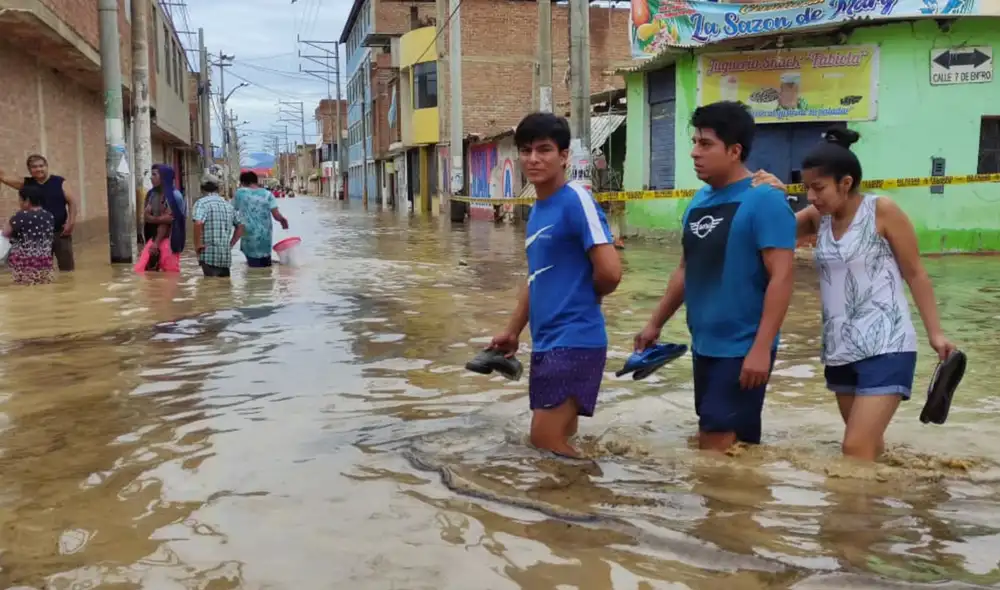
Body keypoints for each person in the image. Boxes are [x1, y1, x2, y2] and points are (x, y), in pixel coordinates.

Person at [751, 128, 956, 461]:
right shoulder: (819, 219)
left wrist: (936, 333)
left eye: (818, 188)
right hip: (840, 349)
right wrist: (775, 195)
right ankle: (880, 507)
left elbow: (915, 273)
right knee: (868, 448)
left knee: (853, 449)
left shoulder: (881, 210)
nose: (812, 197)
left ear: (845, 183)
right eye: (806, 189)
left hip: (887, 345)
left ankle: (848, 511)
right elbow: (779, 230)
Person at [634, 101, 797, 453]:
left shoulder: (765, 200)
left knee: (714, 444)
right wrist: (654, 323)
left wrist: (760, 349)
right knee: (735, 447)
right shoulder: (697, 202)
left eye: (705, 144)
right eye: (694, 142)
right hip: (704, 344)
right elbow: (685, 269)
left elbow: (782, 278)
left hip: (742, 348)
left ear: (735, 150)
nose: (694, 153)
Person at [488, 112, 622, 457]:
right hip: (549, 343)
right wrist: (513, 331)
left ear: (564, 156)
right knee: (561, 442)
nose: (533, 159)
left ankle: (591, 500)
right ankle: (573, 501)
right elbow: (537, 279)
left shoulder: (575, 200)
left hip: (574, 341)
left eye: (544, 150)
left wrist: (580, 298)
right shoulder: (538, 209)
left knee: (544, 442)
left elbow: (610, 272)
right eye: (526, 150)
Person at [0, 154, 78, 271]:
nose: (38, 169)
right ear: (29, 170)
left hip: (60, 232)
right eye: (34, 167)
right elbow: (3, 177)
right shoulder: (25, 183)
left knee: (67, 268)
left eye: (41, 166)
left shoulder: (60, 182)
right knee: (41, 268)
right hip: (37, 236)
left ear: (46, 166)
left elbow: (72, 203)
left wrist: (71, 222)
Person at [233, 171, 289, 268]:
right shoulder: (267, 194)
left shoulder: (239, 194)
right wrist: (283, 220)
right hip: (265, 235)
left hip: (248, 235)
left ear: (243, 183)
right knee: (265, 263)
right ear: (256, 181)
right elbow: (276, 215)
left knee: (252, 266)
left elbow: (232, 210)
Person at [192, 173, 243, 278]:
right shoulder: (227, 205)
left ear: (201, 188)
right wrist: (230, 245)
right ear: (218, 188)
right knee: (225, 289)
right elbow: (241, 226)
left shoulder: (201, 203)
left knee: (209, 289)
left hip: (208, 255)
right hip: (225, 256)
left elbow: (198, 223)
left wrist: (197, 245)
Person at [2, 185, 55, 285]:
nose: (19, 202)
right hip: (45, 264)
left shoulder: (20, 216)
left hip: (25, 266)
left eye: (20, 199)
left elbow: (5, 232)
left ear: (27, 200)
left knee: (24, 291)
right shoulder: (49, 216)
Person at [141, 164, 186, 272]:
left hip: (170, 240)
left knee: (170, 275)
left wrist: (152, 219)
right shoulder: (152, 194)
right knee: (149, 273)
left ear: (164, 177)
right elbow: (147, 217)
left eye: (154, 174)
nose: (151, 177)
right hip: (153, 238)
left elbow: (169, 220)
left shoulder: (175, 196)